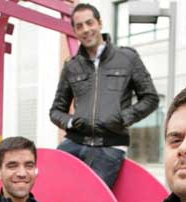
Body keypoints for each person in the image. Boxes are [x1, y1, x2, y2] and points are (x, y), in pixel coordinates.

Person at [49, 3, 159, 189]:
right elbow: (56, 111)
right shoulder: (71, 66)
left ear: (99, 23)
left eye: (89, 23)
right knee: (52, 187)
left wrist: (123, 118)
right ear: (75, 31)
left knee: (92, 198)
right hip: (74, 143)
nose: (86, 30)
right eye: (79, 26)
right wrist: (71, 122)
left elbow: (150, 98)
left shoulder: (127, 58)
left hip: (109, 147)